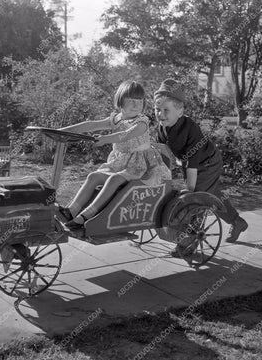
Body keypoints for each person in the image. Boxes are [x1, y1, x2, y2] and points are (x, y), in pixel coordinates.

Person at [154, 78, 248, 256]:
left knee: (196, 198)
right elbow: (163, 155)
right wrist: (162, 177)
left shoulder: (190, 129)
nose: (161, 114)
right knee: (212, 195)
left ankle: (188, 242)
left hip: (208, 162)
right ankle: (237, 222)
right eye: (157, 109)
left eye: (166, 110)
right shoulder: (161, 128)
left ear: (180, 111)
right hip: (189, 163)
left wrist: (189, 189)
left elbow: (193, 162)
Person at [59, 80, 171, 229]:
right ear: (120, 101)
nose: (135, 104)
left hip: (140, 166)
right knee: (93, 176)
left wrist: (105, 139)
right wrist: (64, 131)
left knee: (114, 179)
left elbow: (125, 135)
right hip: (120, 163)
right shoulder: (117, 119)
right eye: (130, 100)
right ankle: (71, 211)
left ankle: (87, 215)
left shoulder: (142, 122)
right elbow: (92, 124)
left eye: (139, 100)